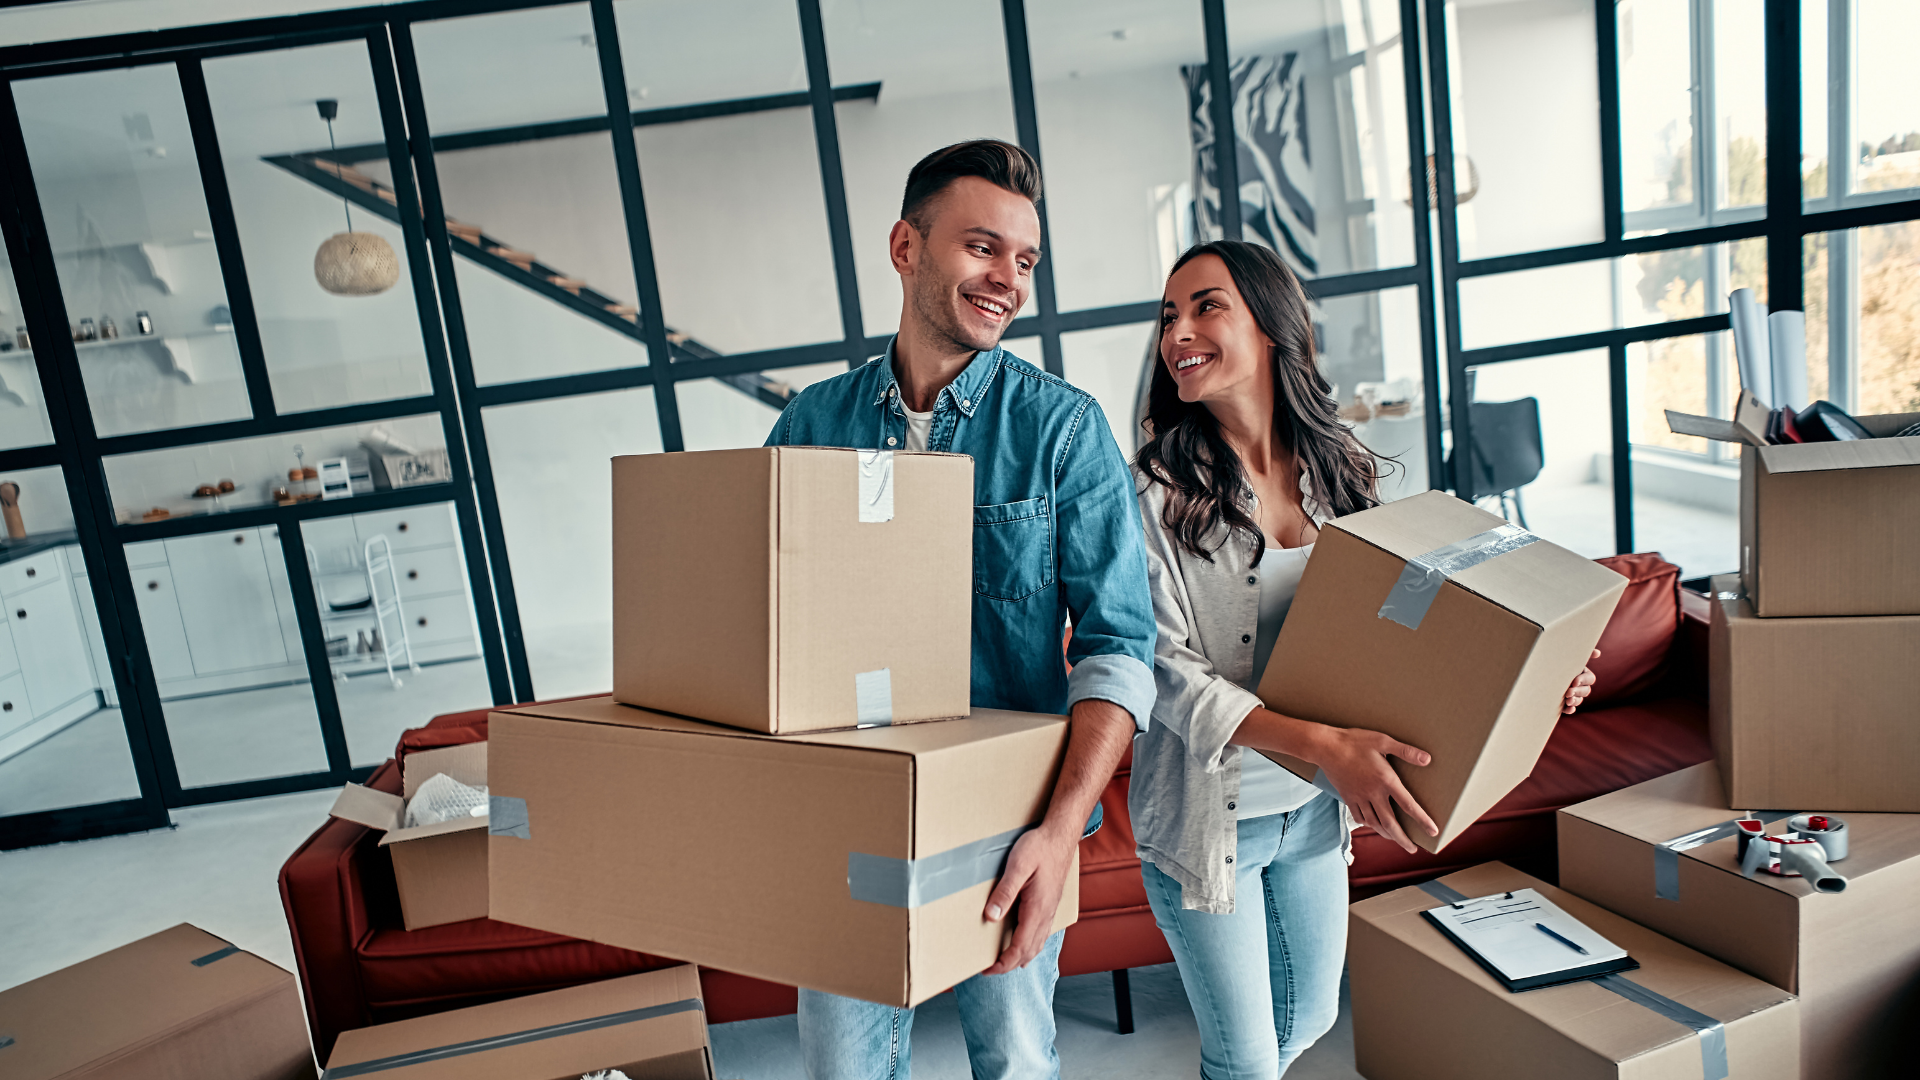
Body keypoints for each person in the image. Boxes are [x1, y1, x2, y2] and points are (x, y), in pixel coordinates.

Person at [1129, 240, 1599, 1079]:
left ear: (1272, 328)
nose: (1178, 332)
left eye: (1206, 306)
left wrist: (1532, 674)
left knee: (1306, 1017)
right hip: (1208, 823)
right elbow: (1165, 674)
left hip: (1313, 813)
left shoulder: (1338, 474)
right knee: (1245, 1062)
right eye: (1170, 314)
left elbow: (1415, 631)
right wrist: (1326, 748)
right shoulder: (1155, 495)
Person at [764, 140, 1156, 1080]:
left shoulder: (1064, 429)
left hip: (1006, 826)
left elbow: (1119, 650)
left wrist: (1059, 836)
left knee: (1016, 1061)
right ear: (906, 247)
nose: (1007, 281)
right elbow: (763, 632)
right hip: (847, 821)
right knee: (840, 1073)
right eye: (983, 248)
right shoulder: (810, 428)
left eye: (1024, 261)